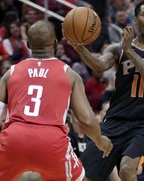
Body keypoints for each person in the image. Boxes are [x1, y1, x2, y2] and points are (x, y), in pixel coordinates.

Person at [66, 0, 144, 181]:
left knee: (127, 169)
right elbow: (99, 66)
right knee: (84, 175)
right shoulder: (117, 49)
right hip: (114, 120)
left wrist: (130, 52)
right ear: (135, 20)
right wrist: (80, 48)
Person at [0, 20, 113, 180]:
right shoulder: (69, 74)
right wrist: (100, 140)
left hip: (14, 138)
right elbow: (86, 120)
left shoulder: (11, 72)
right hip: (50, 141)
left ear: (28, 44)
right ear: (54, 44)